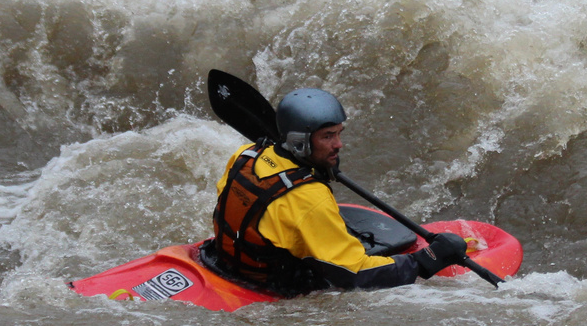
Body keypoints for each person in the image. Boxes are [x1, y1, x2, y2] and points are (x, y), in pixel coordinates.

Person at [200, 87, 470, 296]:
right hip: (274, 282)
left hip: (223, 259)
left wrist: (314, 167)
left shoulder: (246, 155)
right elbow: (354, 275)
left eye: (339, 133)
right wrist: (424, 262)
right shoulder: (309, 200)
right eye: (328, 136)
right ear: (300, 143)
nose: (339, 144)